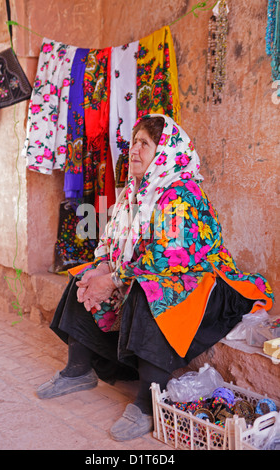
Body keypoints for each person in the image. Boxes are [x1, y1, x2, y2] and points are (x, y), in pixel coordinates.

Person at [36, 114, 274, 441]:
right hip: (151, 271)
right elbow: (112, 239)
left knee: (150, 290)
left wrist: (115, 278)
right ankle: (79, 368)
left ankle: (147, 403)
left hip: (211, 285)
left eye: (143, 143)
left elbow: (168, 257)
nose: (133, 150)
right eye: (133, 142)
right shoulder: (136, 190)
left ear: (164, 150)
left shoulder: (182, 191)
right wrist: (103, 267)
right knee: (83, 276)